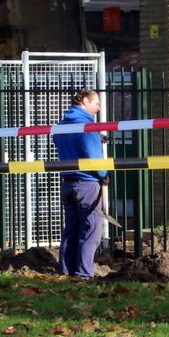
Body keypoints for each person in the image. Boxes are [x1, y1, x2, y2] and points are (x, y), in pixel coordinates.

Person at [53, 89, 107, 280]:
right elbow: (93, 156)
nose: (99, 108)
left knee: (72, 228)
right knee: (91, 229)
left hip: (67, 182)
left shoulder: (61, 125)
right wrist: (103, 174)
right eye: (96, 103)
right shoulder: (86, 126)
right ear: (85, 101)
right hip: (87, 183)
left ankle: (66, 269)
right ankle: (84, 273)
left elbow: (65, 145)